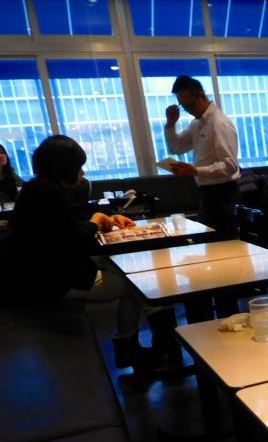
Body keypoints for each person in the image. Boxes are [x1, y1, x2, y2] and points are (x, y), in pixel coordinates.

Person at [4, 135, 160, 371]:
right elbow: (74, 240)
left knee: (114, 264)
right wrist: (96, 221)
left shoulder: (36, 187)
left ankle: (135, 346)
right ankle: (133, 348)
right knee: (135, 287)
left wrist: (100, 220)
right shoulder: (48, 192)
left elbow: (63, 227)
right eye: (78, 166)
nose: (82, 172)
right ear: (65, 167)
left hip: (34, 272)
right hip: (50, 280)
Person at [164, 75, 240, 237]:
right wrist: (171, 124)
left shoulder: (219, 123)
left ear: (202, 96)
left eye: (190, 105)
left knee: (222, 242)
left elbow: (230, 166)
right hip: (207, 192)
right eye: (184, 107)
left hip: (222, 192)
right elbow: (176, 147)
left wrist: (195, 170)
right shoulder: (197, 123)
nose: (189, 111)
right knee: (210, 241)